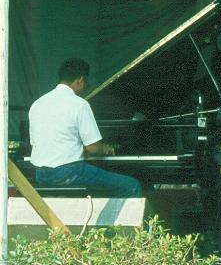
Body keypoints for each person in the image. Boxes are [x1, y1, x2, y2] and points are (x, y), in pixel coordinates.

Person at [28, 58, 143, 198]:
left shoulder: (37, 104)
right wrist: (106, 148)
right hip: (69, 173)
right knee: (131, 185)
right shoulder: (79, 104)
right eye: (86, 82)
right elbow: (93, 148)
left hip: (41, 175)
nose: (86, 86)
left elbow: (38, 143)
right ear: (80, 80)